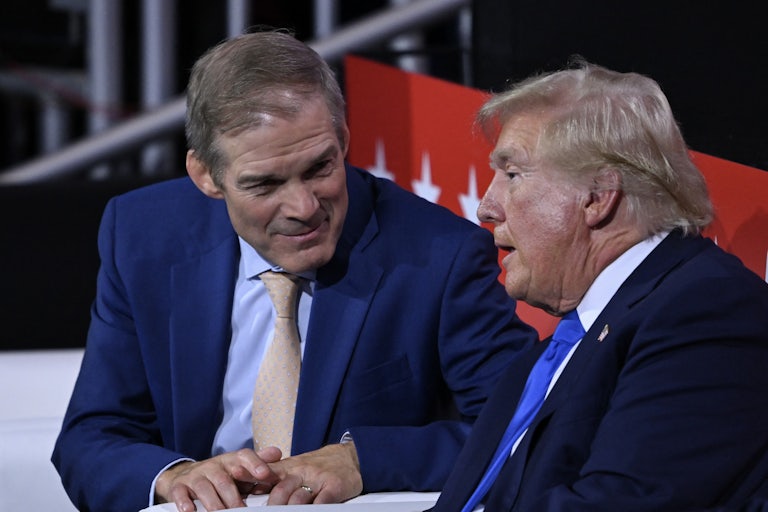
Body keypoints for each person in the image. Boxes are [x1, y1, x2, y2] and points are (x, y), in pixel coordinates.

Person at [51, 29, 538, 512]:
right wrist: (177, 476)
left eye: (320, 168)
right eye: (264, 184)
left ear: (343, 139)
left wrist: (363, 461)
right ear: (206, 176)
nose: (304, 207)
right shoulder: (145, 235)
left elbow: (525, 427)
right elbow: (91, 437)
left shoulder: (440, 255)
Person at [431, 59, 768, 511]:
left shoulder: (706, 312)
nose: (486, 208)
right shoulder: (562, 345)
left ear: (597, 196)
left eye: (512, 175)